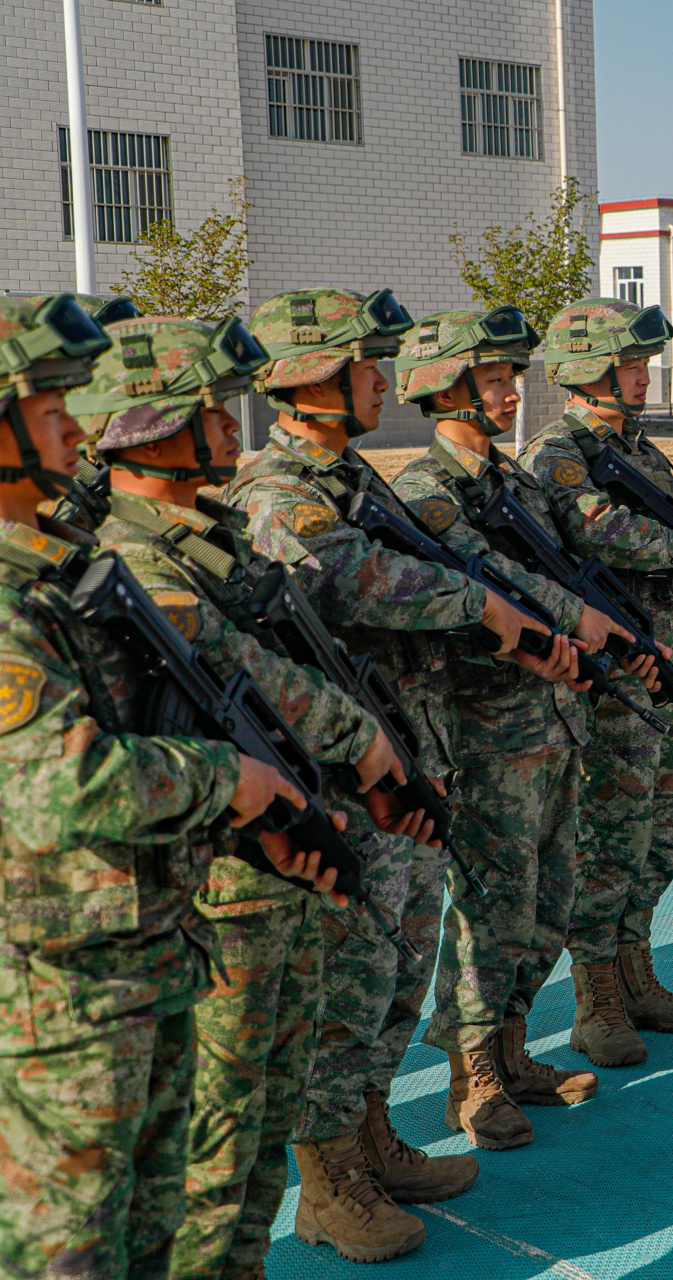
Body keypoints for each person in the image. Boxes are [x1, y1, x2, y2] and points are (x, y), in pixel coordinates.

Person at [68, 313, 431, 1280]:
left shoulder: (204, 539)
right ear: (148, 429)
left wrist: (367, 754)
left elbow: (273, 665)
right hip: (223, 881)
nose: (234, 425)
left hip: (279, 854)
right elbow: (242, 689)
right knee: (219, 1134)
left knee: (265, 1106)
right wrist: (362, 749)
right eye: (209, 411)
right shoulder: (138, 565)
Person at [226, 287, 572, 1262]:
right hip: (346, 778)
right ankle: (328, 1183)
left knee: (400, 967)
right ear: (314, 378)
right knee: (348, 975)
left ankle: (373, 1135)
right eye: (367, 364)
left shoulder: (353, 478)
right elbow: (364, 581)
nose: (386, 379)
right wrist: (483, 605)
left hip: (410, 754)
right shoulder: (277, 492)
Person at [0, 294, 330, 1280]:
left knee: (151, 1233)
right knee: (68, 1253)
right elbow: (59, 786)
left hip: (140, 956)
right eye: (48, 409)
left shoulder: (54, 575)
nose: (75, 427)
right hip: (56, 998)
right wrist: (230, 777)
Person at [391, 309, 636, 1134]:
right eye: (492, 378)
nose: (509, 391)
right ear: (448, 389)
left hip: (555, 720)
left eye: (508, 376)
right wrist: (580, 618)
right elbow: (493, 579)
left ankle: (516, 1042)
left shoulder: (515, 481)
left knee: (547, 895)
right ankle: (475, 1075)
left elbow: (563, 558)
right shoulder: (426, 492)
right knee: (491, 902)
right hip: (491, 731)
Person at [523, 297, 673, 1041]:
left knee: (662, 831)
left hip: (669, 657)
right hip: (617, 672)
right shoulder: (558, 451)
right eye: (626, 365)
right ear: (584, 370)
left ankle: (636, 970)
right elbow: (595, 527)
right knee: (610, 834)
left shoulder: (637, 449)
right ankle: (594, 998)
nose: (641, 376)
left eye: (641, 363)